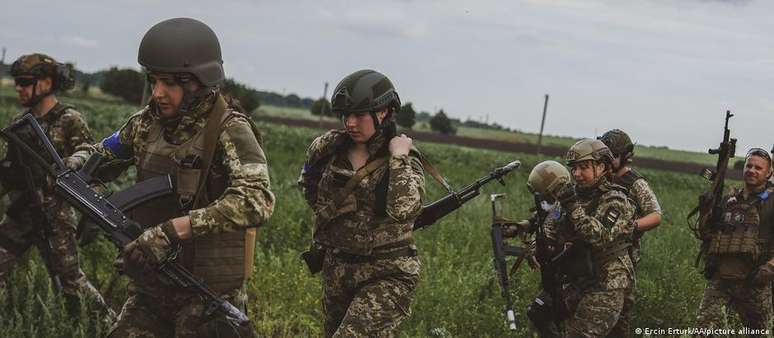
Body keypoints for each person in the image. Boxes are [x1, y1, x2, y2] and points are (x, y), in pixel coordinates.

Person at [69, 17, 274, 337]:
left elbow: (257, 200)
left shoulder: (229, 128)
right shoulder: (145, 123)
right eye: (153, 81)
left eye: (169, 83)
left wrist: (173, 231)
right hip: (151, 287)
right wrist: (77, 165)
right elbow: (104, 155)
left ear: (196, 81)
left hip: (206, 294)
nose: (158, 93)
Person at [297, 69, 425, 337]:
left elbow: (404, 209)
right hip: (337, 268)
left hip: (387, 274)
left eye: (359, 114)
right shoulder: (328, 149)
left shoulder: (404, 158)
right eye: (346, 115)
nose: (350, 123)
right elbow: (309, 187)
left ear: (383, 112)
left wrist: (398, 158)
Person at [0, 53, 111, 318]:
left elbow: (90, 159)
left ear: (47, 83)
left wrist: (92, 213)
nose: (18, 87)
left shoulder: (70, 119)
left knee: (71, 283)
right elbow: (7, 172)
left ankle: (111, 324)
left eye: (25, 82)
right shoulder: (19, 125)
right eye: (17, 82)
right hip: (21, 212)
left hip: (56, 216)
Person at [522, 139, 636, 337]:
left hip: (607, 282)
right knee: (539, 316)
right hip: (575, 280)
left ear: (601, 166)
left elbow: (598, 236)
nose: (577, 174)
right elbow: (550, 226)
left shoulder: (616, 199)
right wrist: (536, 247)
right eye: (574, 168)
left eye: (584, 167)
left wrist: (573, 207)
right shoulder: (572, 195)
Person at [694, 148, 774, 332]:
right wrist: (706, 210)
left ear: (769, 173)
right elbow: (707, 235)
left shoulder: (771, 201)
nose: (752, 170)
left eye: (758, 168)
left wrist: (769, 267)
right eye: (749, 166)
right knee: (703, 330)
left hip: (755, 282)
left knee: (758, 333)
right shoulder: (728, 199)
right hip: (722, 279)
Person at [598, 129, 662, 337]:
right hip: (595, 253)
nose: (606, 160)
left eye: (612, 156)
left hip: (623, 255)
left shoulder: (634, 182)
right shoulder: (600, 177)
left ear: (623, 156)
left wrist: (630, 228)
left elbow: (655, 215)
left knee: (619, 317)